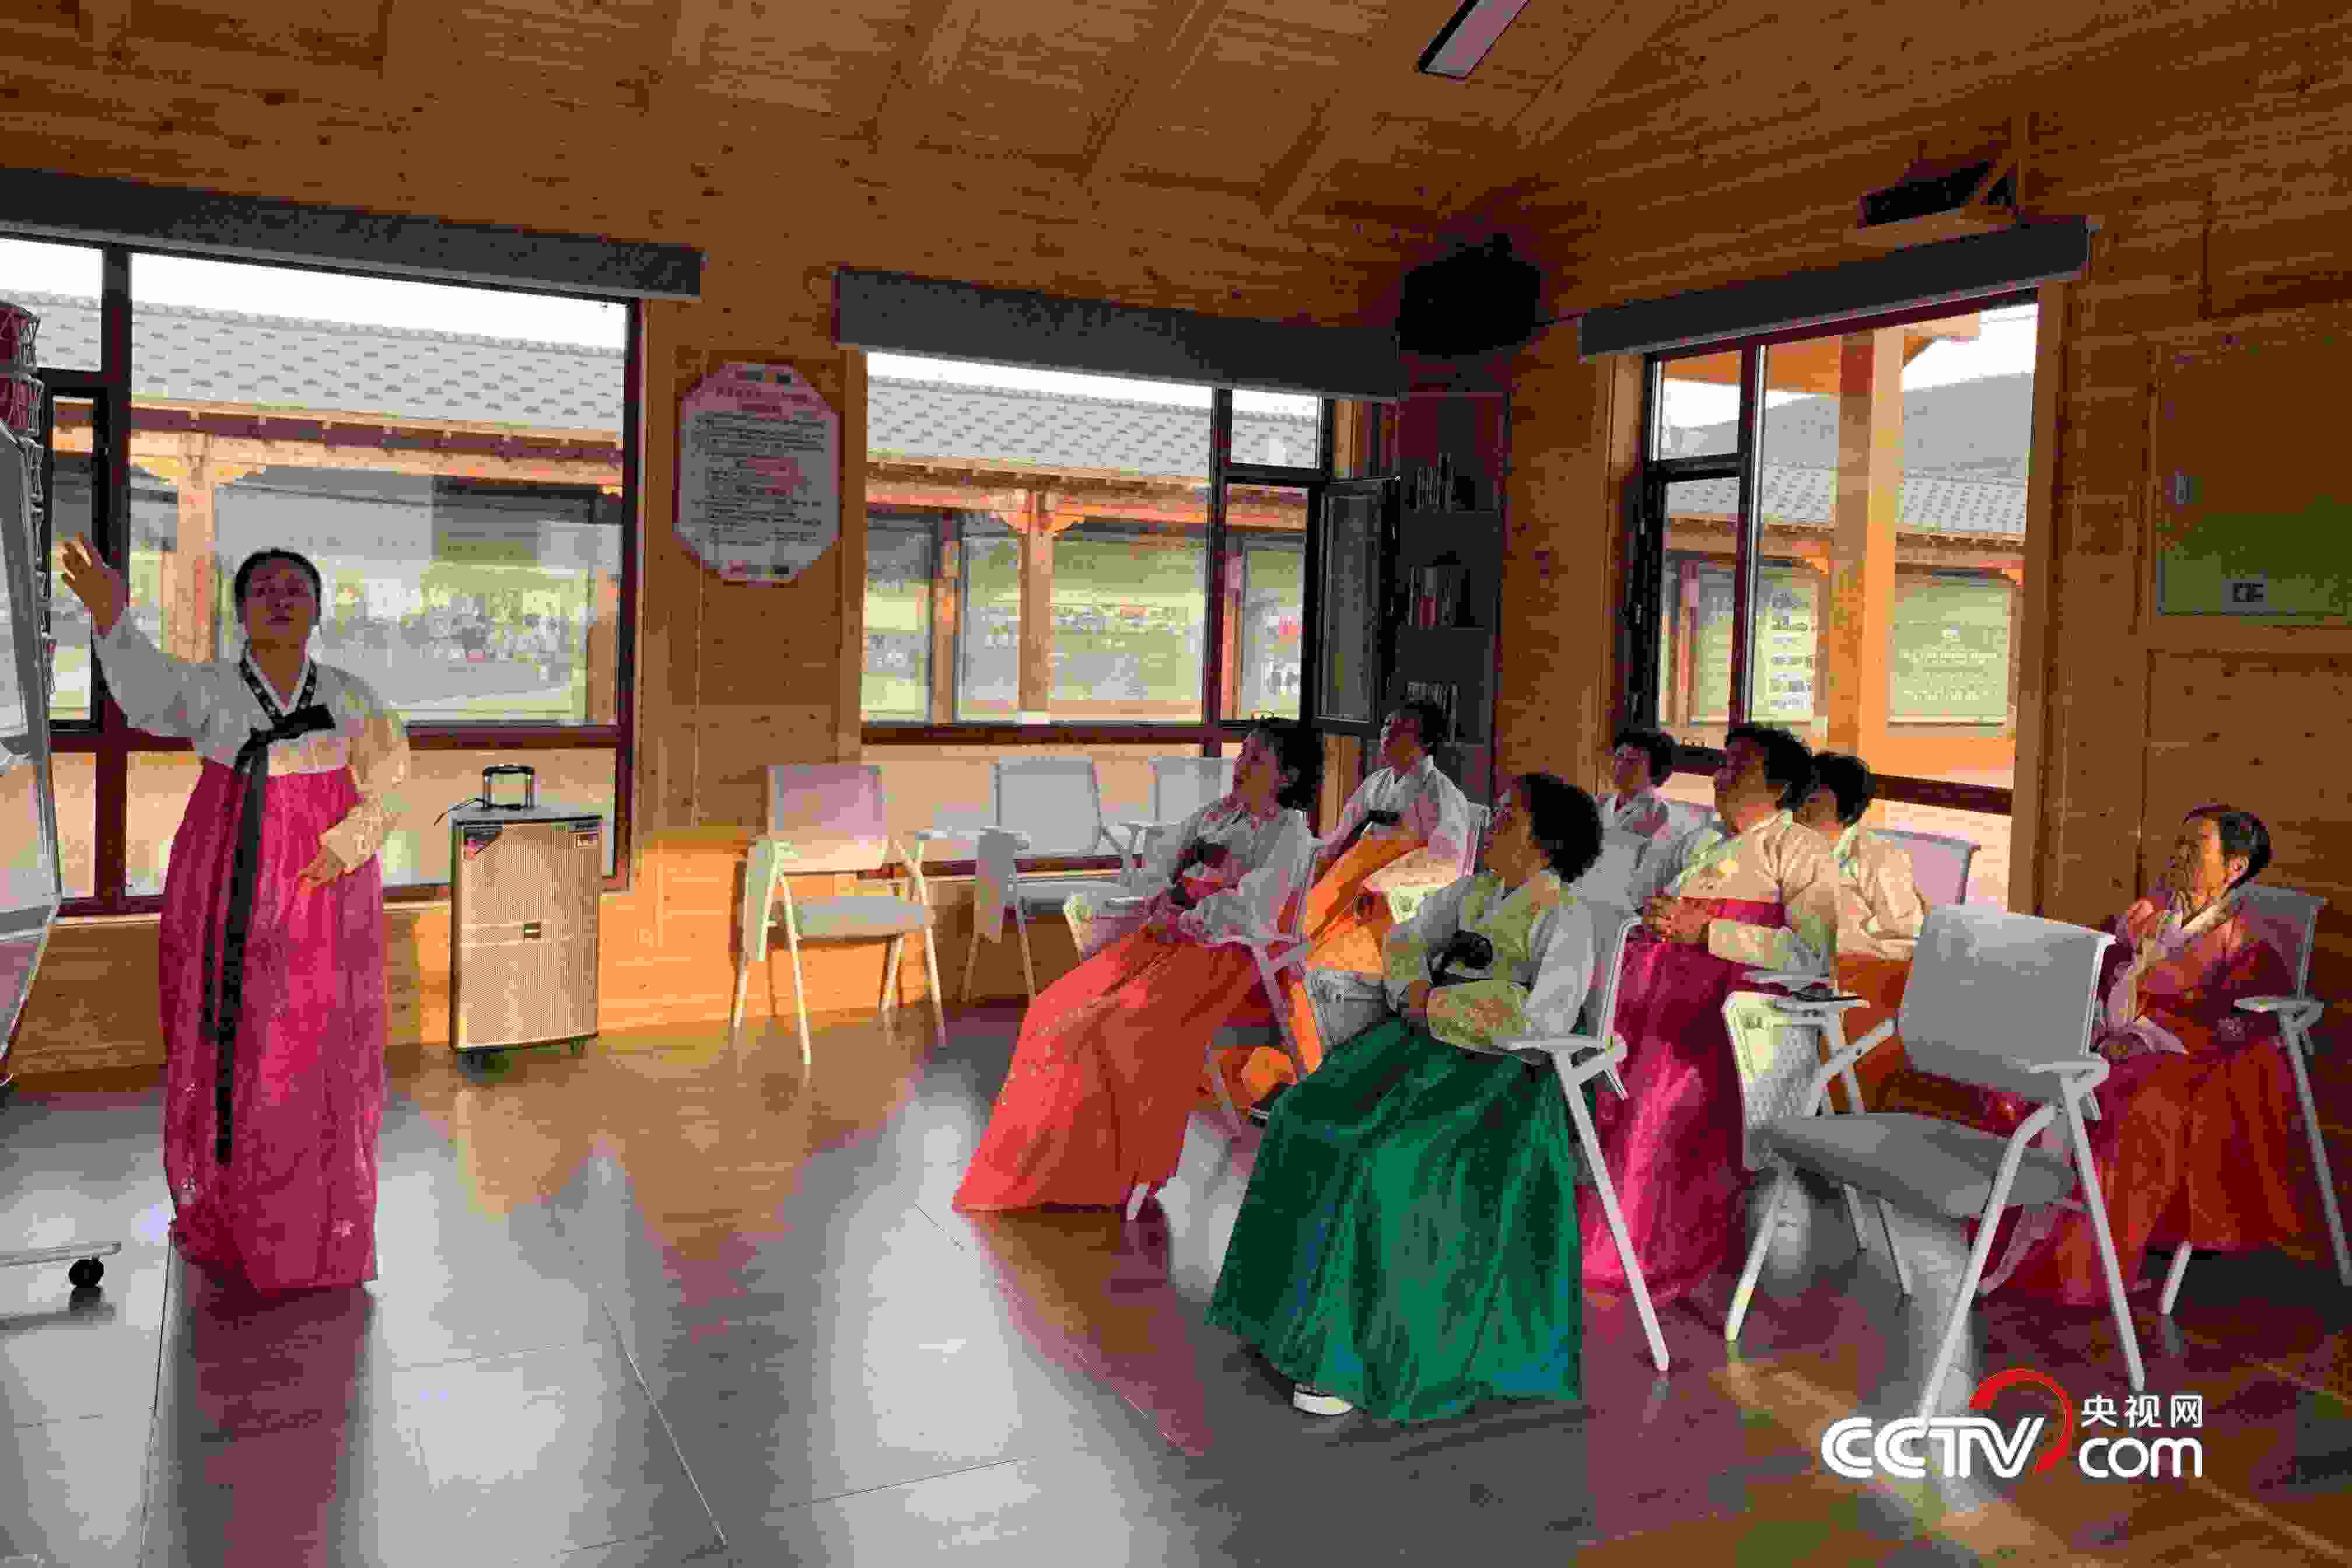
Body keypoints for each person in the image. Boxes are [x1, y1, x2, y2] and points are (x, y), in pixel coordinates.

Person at [58, 538, 409, 1292]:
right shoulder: (213, 688)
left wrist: (347, 845)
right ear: (241, 611)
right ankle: (234, 1217)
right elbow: (148, 695)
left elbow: (390, 784)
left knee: (317, 1044)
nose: (280, 600)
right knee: (235, 1035)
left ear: (317, 609)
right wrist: (113, 618)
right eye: (263, 590)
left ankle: (318, 1230)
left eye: (295, 589)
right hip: (226, 878)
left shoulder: (352, 698)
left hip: (325, 887)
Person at [1206, 774, 1605, 1422]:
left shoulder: (1566, 917)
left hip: (1495, 1081)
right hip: (1417, 1048)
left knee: (1379, 1161)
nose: (1491, 824)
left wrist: (1440, 1004)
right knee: (1299, 1117)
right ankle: (1277, 1316)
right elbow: (1407, 938)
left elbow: (1543, 1018)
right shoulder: (1473, 893)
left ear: (1546, 844)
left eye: (1509, 818)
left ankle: (1352, 1357)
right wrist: (1416, 991)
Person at [1875, 806, 2317, 1304]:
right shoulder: (2146, 915)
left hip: (2185, 1061)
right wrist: (2095, 1021)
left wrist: (2147, 1035)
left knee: (2127, 1104)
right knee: (2017, 1081)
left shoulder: (2248, 941)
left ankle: (2077, 1265)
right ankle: (1996, 1239)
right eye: (2179, 843)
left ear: (2235, 867)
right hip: (2107, 1039)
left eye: (2195, 847)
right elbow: (2087, 966)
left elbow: (2243, 1024)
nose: (2178, 855)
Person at [954, 720, 1322, 1213]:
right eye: (1242, 754)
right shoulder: (1218, 814)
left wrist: (1188, 915)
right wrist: (1162, 898)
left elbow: (1253, 907)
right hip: (1168, 938)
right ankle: (1051, 1163)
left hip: (1225, 955)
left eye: (1257, 758)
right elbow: (1161, 859)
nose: (1241, 765)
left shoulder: (1290, 833)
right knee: (1054, 1010)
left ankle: (1107, 1171)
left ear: (1288, 775)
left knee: (1114, 1023)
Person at [1581, 723, 1840, 1303]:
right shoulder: (1695, 840)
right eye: (1722, 764)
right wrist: (1655, 917)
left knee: (1659, 1096)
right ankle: (1599, 1226)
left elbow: (1811, 956)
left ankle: (1640, 1248)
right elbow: (1637, 899)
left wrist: (1709, 932)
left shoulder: (1800, 850)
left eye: (1737, 768)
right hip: (1650, 996)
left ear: (1778, 788)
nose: (1720, 777)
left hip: (1728, 1012)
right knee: (1596, 1081)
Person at [1216, 698, 1474, 1118]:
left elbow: (1447, 866)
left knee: (1311, 967)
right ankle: (1277, 1060)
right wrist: (1306, 862)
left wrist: (1385, 882)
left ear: (1426, 742)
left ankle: (1304, 1077)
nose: (1387, 736)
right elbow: (1336, 841)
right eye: (1387, 726)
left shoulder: (1442, 794)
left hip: (1388, 910)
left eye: (1401, 730)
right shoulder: (1376, 784)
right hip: (1346, 891)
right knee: (1284, 945)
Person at [1790, 751, 1926, 1111]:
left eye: (1814, 792)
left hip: (1862, 982)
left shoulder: (1878, 858)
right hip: (1799, 970)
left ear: (1844, 805)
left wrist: (1845, 940)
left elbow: (1909, 936)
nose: (1800, 802)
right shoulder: (1791, 851)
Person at [1597, 727, 1689, 843]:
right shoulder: (1602, 802)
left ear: (1655, 771)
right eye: (1619, 756)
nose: (1620, 765)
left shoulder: (1659, 815)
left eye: (1632, 762)